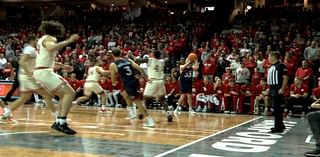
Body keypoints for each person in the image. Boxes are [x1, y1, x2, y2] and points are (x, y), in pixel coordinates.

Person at [33, 21, 79, 135]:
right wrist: (68, 41)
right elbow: (50, 48)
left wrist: (62, 66)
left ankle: (58, 121)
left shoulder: (42, 39)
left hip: (42, 70)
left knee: (64, 95)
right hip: (45, 72)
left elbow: (45, 58)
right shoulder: (50, 39)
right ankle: (61, 123)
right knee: (70, 93)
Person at [0, 35, 57, 124]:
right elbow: (22, 62)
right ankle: (58, 118)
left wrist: (62, 66)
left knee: (23, 99)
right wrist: (29, 74)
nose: (37, 41)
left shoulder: (33, 50)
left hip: (25, 77)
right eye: (36, 40)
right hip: (27, 78)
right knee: (47, 95)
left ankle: (5, 115)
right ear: (31, 40)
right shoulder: (29, 49)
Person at [109, 48, 155, 127]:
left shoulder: (113, 65)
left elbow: (113, 78)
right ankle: (132, 113)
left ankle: (149, 120)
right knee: (124, 94)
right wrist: (146, 78)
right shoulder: (128, 60)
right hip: (134, 80)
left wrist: (113, 83)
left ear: (112, 55)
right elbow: (140, 68)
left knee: (138, 102)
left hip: (128, 84)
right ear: (120, 53)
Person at [143, 51, 172, 122]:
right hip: (160, 81)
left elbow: (139, 60)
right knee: (162, 100)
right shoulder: (162, 61)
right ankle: (168, 114)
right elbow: (166, 59)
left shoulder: (150, 60)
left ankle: (143, 113)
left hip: (152, 81)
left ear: (153, 55)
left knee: (146, 98)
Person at [267, 51, 288, 133]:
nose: (268, 58)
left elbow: (285, 77)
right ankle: (281, 124)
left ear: (273, 57)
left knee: (277, 108)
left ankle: (278, 127)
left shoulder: (281, 65)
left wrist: (282, 88)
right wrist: (269, 89)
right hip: (272, 88)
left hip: (277, 88)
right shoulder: (273, 66)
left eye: (269, 56)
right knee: (275, 107)